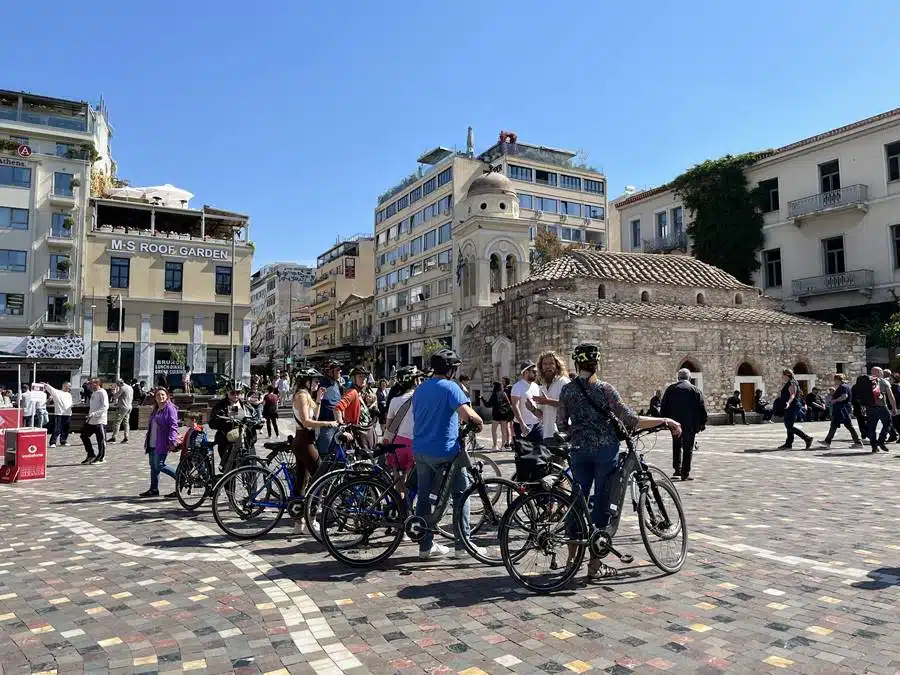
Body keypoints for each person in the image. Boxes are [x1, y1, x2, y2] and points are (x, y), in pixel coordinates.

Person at [558, 343, 682, 580]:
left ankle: (571, 560)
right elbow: (631, 420)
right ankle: (595, 565)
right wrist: (665, 420)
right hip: (605, 451)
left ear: (577, 364)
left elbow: (563, 423)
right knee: (605, 501)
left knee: (577, 501)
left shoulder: (568, 391)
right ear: (597, 364)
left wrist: (578, 433)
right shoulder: (605, 389)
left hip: (579, 451)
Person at [412, 348, 484, 560]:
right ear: (451, 370)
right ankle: (464, 544)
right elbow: (468, 415)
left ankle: (425, 545)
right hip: (446, 452)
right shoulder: (451, 388)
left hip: (421, 450)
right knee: (461, 494)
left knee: (424, 497)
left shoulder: (420, 389)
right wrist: (478, 424)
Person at [291, 368, 338, 531]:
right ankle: (311, 517)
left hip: (304, 439)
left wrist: (318, 400)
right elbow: (306, 422)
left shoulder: (306, 396)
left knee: (302, 479)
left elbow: (314, 418)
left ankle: (299, 522)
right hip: (304, 439)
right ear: (307, 381)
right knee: (320, 476)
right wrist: (328, 423)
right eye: (315, 381)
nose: (318, 383)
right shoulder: (302, 396)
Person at [660, 368, 708, 481]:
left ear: (678, 378)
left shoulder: (671, 389)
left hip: (675, 424)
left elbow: (664, 407)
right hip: (690, 424)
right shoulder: (695, 390)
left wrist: (665, 421)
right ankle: (685, 473)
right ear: (689, 378)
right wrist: (702, 423)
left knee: (676, 446)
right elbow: (702, 409)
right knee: (688, 448)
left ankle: (677, 469)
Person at [383, 365, 422, 495]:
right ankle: (408, 508)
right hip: (415, 443)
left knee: (397, 479)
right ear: (414, 381)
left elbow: (389, 426)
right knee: (411, 480)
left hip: (398, 443)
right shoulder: (421, 398)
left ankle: (397, 506)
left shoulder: (395, 400)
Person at [139, 388, 179, 498]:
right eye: (158, 395)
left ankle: (180, 477)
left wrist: (171, 440)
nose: (160, 397)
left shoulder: (170, 409)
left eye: (163, 394)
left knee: (160, 465)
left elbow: (173, 425)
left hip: (162, 442)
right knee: (153, 466)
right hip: (152, 441)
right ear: (155, 398)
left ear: (167, 396)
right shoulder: (156, 409)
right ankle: (153, 489)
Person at [208, 385, 256, 469]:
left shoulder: (245, 405)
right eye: (233, 392)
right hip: (228, 442)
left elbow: (255, 417)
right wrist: (227, 422)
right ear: (227, 392)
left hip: (246, 441)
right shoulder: (221, 406)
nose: (236, 395)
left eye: (238, 392)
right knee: (229, 470)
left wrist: (256, 422)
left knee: (251, 468)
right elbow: (212, 423)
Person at [532, 351, 570, 440]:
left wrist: (546, 401)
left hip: (562, 434)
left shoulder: (564, 382)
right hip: (546, 434)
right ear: (541, 367)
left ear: (556, 365)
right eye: (545, 364)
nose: (547, 366)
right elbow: (541, 415)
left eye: (551, 363)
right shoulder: (542, 385)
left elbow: (568, 404)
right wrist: (532, 409)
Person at [859, 366, 896, 453]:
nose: (882, 373)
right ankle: (881, 440)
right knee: (888, 423)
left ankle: (874, 447)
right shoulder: (884, 382)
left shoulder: (866, 381)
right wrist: (893, 407)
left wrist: (863, 407)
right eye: (881, 372)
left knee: (871, 427)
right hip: (882, 407)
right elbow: (890, 396)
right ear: (879, 372)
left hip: (869, 408)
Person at [819, 374, 862, 447]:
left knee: (848, 425)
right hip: (841, 409)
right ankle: (827, 441)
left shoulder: (843, 387)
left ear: (837, 380)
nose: (834, 382)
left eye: (834, 380)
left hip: (842, 409)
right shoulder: (846, 386)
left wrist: (834, 400)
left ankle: (858, 442)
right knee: (835, 425)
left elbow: (844, 396)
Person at [776, 369, 813, 450]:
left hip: (792, 406)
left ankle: (807, 438)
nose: (782, 377)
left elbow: (793, 395)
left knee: (789, 426)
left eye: (783, 375)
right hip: (789, 406)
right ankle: (788, 444)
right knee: (789, 425)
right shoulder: (789, 383)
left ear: (787, 375)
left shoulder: (792, 383)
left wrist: (788, 402)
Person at [315, 360, 343, 456]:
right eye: (338, 369)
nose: (340, 371)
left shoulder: (336, 384)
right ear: (329, 371)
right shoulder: (322, 385)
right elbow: (329, 405)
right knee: (325, 456)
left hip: (337, 424)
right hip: (326, 426)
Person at [511, 361, 543, 442]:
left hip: (537, 425)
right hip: (522, 426)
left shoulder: (536, 386)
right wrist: (522, 424)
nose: (536, 374)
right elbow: (515, 406)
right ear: (525, 372)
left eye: (536, 372)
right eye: (534, 372)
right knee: (524, 453)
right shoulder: (517, 387)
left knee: (540, 451)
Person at [81, 378, 109, 464]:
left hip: (100, 420)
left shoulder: (102, 392)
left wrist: (94, 414)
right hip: (91, 420)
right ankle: (91, 455)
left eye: (91, 383)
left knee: (100, 439)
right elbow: (93, 407)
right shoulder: (94, 393)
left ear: (97, 384)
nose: (89, 385)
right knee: (84, 435)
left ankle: (101, 457)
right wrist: (90, 416)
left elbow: (105, 407)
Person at [485, 381, 514, 450]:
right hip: (504, 414)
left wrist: (482, 399)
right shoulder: (504, 393)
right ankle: (503, 446)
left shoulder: (494, 394)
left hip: (496, 415)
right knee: (503, 431)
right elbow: (508, 403)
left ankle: (495, 446)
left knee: (494, 430)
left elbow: (488, 405)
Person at [44, 382, 73, 448]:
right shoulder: (57, 392)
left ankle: (63, 440)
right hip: (59, 413)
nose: (70, 388)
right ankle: (53, 442)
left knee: (66, 428)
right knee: (57, 428)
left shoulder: (69, 394)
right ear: (64, 386)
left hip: (68, 413)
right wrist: (46, 385)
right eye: (69, 386)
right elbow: (51, 389)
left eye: (70, 386)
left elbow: (70, 403)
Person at [107, 379, 134, 443]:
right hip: (129, 406)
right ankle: (126, 437)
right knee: (126, 422)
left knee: (117, 422)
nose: (117, 385)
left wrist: (113, 392)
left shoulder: (122, 388)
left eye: (117, 384)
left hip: (122, 407)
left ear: (119, 383)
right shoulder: (130, 387)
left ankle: (114, 437)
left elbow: (115, 396)